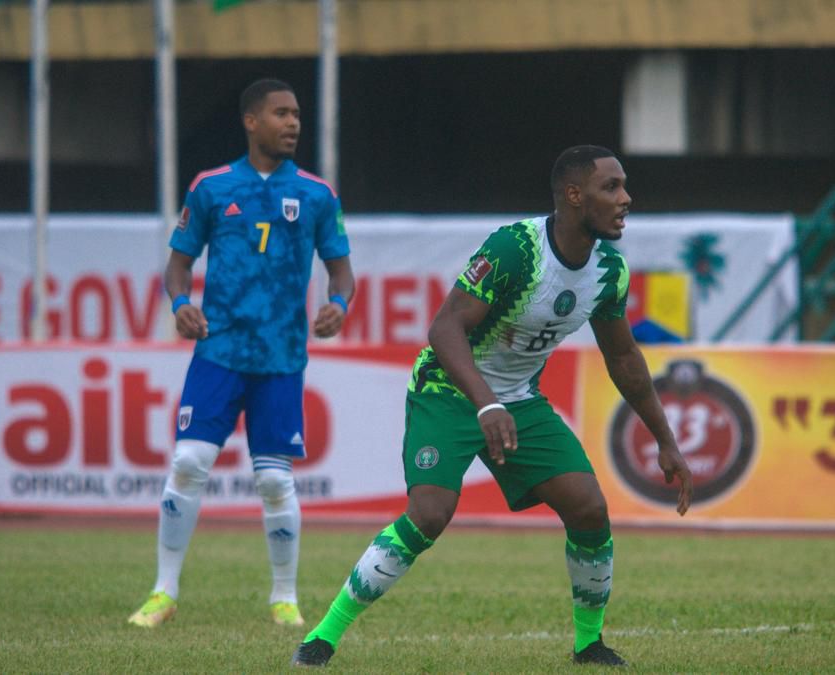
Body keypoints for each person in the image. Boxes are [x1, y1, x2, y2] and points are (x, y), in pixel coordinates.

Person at [291, 145, 692, 667]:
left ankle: (589, 644)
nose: (625, 198)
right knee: (429, 514)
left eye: (623, 186)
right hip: (449, 391)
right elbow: (444, 328)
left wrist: (665, 439)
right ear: (574, 195)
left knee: (589, 508)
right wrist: (485, 404)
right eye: (611, 187)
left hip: (518, 400)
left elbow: (623, 358)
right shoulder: (516, 248)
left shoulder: (609, 270)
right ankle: (323, 636)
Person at [128, 78, 354, 629]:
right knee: (188, 463)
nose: (293, 122)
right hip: (219, 351)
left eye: (296, 113)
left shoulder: (318, 195)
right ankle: (163, 591)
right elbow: (178, 265)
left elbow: (342, 272)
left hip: (281, 359)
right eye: (281, 113)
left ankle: (284, 598)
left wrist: (338, 304)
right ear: (251, 122)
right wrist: (180, 303)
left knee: (275, 480)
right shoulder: (210, 187)